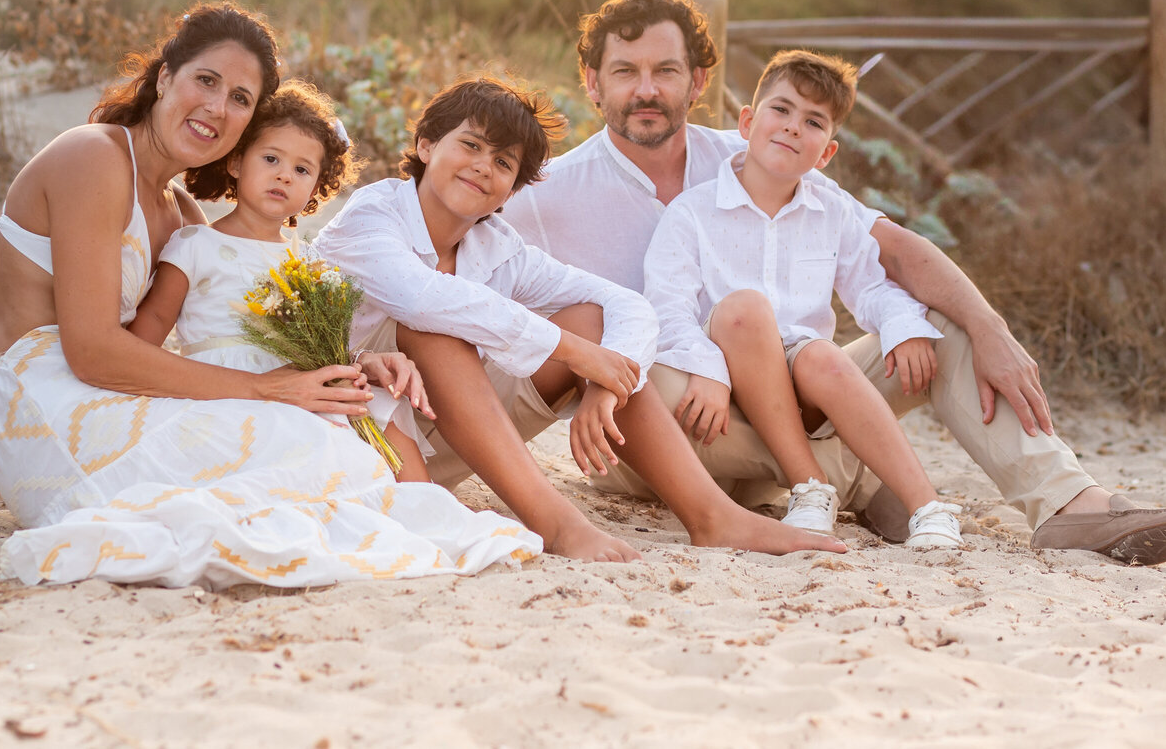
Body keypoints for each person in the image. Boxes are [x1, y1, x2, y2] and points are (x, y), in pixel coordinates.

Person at [502, 0, 1166, 565]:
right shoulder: (545, 194)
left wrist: (988, 326)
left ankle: (1065, 504)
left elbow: (891, 251)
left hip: (790, 396)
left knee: (932, 322)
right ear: (593, 84)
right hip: (680, 426)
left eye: (666, 70)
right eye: (625, 72)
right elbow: (456, 275)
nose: (646, 89)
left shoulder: (760, 149)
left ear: (700, 82)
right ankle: (856, 478)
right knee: (634, 367)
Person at [0, 2, 540, 590]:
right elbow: (92, 351)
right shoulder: (93, 156)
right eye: (207, 81)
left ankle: (404, 510)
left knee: (316, 428)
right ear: (165, 75)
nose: (218, 108)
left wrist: (350, 364)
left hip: (103, 388)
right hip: (44, 400)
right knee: (285, 430)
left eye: (241, 99)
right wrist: (266, 389)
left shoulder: (182, 213)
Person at [313, 76, 846, 562]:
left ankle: (712, 516)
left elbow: (625, 304)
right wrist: (571, 352)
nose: (483, 166)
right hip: (357, 437)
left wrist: (605, 384)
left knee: (589, 319)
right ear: (427, 146)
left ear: (514, 187)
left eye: (504, 163)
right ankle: (559, 526)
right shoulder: (372, 215)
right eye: (470, 146)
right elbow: (423, 299)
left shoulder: (497, 246)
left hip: (448, 439)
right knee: (438, 328)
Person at [647, 49, 962, 548]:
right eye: (782, 110)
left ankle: (927, 505)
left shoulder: (831, 211)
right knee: (746, 310)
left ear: (827, 153)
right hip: (722, 383)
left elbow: (874, 286)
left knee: (820, 354)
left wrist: (902, 326)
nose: (793, 127)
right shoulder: (692, 213)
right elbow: (667, 309)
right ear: (747, 122)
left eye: (813, 121)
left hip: (803, 386)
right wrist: (705, 366)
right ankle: (810, 485)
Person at [125, 79, 433, 482]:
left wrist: (357, 364)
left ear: (314, 190)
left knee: (372, 402)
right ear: (236, 162)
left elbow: (323, 344)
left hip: (297, 386)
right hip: (222, 391)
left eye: (302, 169)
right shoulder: (195, 245)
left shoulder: (304, 259)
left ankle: (418, 501)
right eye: (271, 159)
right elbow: (143, 341)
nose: (284, 176)